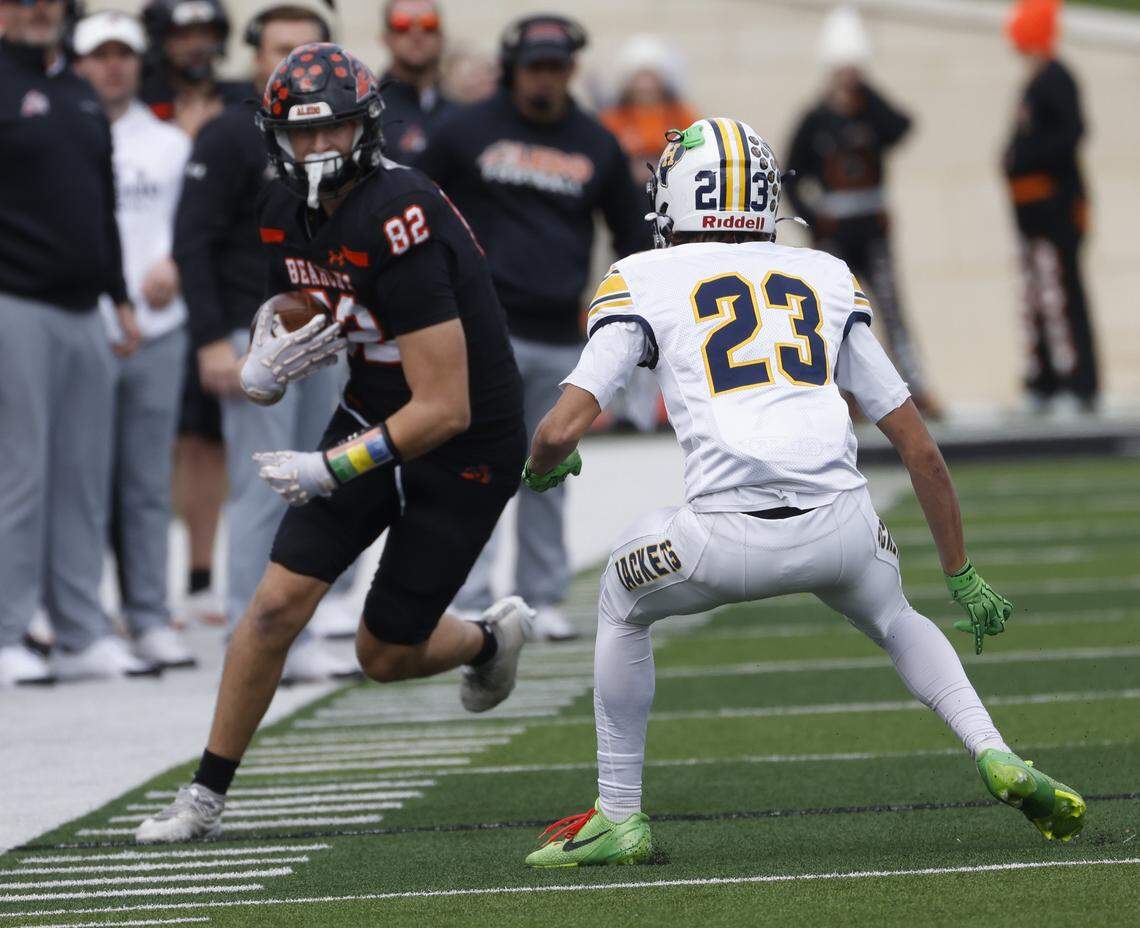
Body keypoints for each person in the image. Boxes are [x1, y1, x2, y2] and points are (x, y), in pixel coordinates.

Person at [518, 118, 1086, 866]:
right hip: (844, 528)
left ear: (677, 196)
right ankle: (994, 748)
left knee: (620, 602)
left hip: (724, 539)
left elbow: (559, 429)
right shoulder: (824, 273)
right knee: (895, 615)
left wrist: (544, 465)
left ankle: (619, 814)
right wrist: (961, 572)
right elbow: (919, 447)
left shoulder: (642, 278)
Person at [136, 43, 530, 843]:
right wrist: (265, 360)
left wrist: (330, 466)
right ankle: (205, 796)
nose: (317, 147)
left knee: (382, 655)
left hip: (465, 441)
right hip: (376, 403)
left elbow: (445, 407)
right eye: (301, 133)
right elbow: (304, 313)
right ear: (275, 136)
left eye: (332, 129)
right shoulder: (282, 209)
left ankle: (489, 639)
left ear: (365, 127)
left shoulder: (399, 213)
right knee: (274, 606)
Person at [416, 14, 649, 641]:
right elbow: (414, 207)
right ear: (513, 69)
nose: (545, 78)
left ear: (572, 69)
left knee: (548, 466)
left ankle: (542, 597)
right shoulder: (463, 130)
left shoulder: (597, 142)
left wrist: (620, 317)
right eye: (534, 67)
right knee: (476, 467)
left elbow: (631, 236)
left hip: (560, 332)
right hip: (481, 328)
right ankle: (469, 596)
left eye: (556, 66)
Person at [175, 1, 360, 679]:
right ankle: (247, 637)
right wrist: (210, 340)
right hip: (252, 329)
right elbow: (191, 241)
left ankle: (296, 632)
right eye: (283, 50)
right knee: (263, 489)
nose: (296, 64)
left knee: (319, 479)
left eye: (308, 50)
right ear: (257, 58)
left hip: (325, 330)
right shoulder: (229, 135)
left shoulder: (343, 136)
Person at [0, 0, 149, 685]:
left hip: (85, 308)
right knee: (20, 476)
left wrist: (119, 296)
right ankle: (7, 632)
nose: (37, 9)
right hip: (14, 301)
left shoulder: (80, 93)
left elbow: (100, 205)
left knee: (83, 480)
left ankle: (81, 632)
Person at [73, 10, 196, 669]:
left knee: (147, 484)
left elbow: (192, 224)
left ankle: (148, 615)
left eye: (123, 54)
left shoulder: (170, 143)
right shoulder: (61, 132)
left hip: (158, 330)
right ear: (80, 64)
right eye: (100, 55)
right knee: (78, 483)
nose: (112, 66)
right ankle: (79, 618)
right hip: (82, 325)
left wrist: (173, 262)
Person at [141, 0, 246, 625]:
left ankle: (201, 577)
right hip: (145, 291)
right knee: (146, 445)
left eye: (205, 31)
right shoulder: (140, 99)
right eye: (183, 33)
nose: (195, 43)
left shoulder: (237, 102)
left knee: (207, 440)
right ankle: (141, 586)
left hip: (213, 287)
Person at [784, 5, 941, 419]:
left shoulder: (871, 113)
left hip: (873, 228)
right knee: (837, 312)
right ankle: (841, 395)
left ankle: (915, 388)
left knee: (891, 308)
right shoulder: (815, 120)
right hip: (835, 230)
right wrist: (813, 219)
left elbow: (902, 126)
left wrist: (866, 92)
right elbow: (791, 176)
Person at [1004, 0, 1097, 414]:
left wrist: (1026, 157)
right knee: (1039, 298)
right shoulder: (1036, 80)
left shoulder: (1057, 78)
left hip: (1054, 210)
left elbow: (1071, 133)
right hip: (1031, 213)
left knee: (1062, 297)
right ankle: (1043, 381)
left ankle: (1076, 384)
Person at [378, 0, 453, 161]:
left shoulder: (463, 101)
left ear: (441, 36)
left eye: (428, 24)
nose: (416, 35)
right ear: (386, 38)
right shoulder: (371, 108)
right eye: (402, 26)